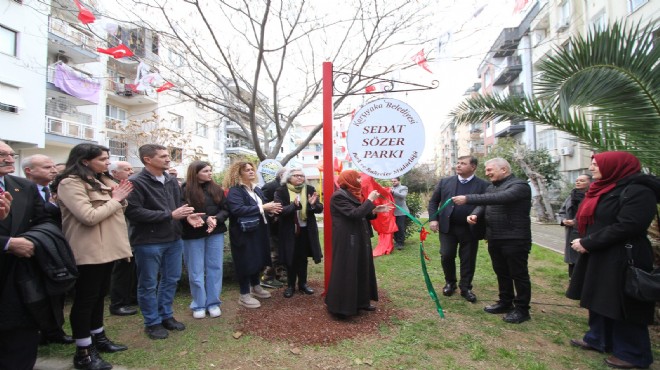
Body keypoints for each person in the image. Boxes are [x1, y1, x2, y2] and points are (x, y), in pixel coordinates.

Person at [567, 152, 658, 369]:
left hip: (623, 256)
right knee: (598, 297)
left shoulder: (637, 191)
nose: (591, 168)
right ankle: (598, 338)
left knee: (622, 302)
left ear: (614, 167)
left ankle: (633, 353)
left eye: (596, 164)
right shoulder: (606, 187)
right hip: (600, 253)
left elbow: (628, 226)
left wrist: (589, 242)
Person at [54, 143, 134, 369]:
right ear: (84, 160)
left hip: (109, 248)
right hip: (89, 250)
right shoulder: (70, 183)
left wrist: (118, 197)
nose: (107, 163)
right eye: (102, 159)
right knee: (85, 299)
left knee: (99, 295)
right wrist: (116, 199)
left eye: (108, 159)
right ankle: (83, 351)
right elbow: (88, 216)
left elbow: (120, 207)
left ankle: (98, 337)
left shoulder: (103, 180)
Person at [125, 144, 201, 340]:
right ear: (148, 159)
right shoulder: (135, 182)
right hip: (148, 241)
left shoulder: (170, 179)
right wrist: (170, 215)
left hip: (173, 238)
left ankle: (166, 315)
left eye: (168, 156)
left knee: (171, 279)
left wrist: (186, 216)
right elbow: (133, 212)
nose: (168, 159)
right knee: (148, 284)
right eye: (163, 156)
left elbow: (176, 206)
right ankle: (152, 322)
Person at [452, 157, 532, 324]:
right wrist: (476, 213)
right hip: (495, 237)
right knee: (501, 272)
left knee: (518, 274)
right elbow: (485, 203)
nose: (487, 173)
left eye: (490, 170)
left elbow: (500, 198)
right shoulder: (492, 187)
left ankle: (522, 309)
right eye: (487, 170)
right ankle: (505, 302)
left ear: (503, 169)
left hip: (515, 239)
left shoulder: (519, 186)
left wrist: (468, 199)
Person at [0, 141, 52, 370]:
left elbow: (45, 221)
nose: (11, 159)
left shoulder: (23, 186)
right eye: (2, 154)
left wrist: (31, 240)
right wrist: (7, 243)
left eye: (11, 154)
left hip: (19, 277)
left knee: (20, 343)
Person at [22, 154, 74, 345]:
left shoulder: (54, 190)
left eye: (53, 166)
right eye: (46, 167)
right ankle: (35, 331)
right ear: (29, 171)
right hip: (30, 248)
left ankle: (54, 330)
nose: (53, 170)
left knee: (56, 289)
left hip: (55, 247)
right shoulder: (21, 190)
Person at [325, 170, 391, 318]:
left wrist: (374, 210)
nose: (360, 181)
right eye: (358, 178)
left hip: (358, 236)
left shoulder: (353, 193)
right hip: (347, 239)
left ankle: (361, 302)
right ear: (348, 180)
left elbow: (360, 212)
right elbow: (354, 214)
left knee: (361, 267)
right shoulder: (339, 196)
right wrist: (370, 200)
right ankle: (342, 307)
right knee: (347, 270)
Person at [428, 155, 488, 303]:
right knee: (447, 255)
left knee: (468, 258)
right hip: (448, 227)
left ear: (473, 167)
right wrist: (433, 219)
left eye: (463, 163)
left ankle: (466, 287)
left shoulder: (483, 185)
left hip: (470, 229)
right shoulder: (445, 182)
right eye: (458, 163)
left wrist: (476, 216)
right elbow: (433, 202)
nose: (458, 166)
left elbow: (485, 204)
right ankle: (450, 283)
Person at [224, 161, 282, 309]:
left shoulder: (255, 189)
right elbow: (237, 210)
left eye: (252, 169)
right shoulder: (235, 191)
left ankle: (256, 286)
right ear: (239, 174)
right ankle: (244, 294)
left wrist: (270, 209)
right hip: (243, 232)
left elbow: (260, 207)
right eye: (247, 170)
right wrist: (263, 207)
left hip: (259, 229)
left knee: (258, 258)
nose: (251, 172)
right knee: (245, 261)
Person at [181, 161, 229, 319]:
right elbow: (184, 210)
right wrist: (207, 218)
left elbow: (225, 208)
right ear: (195, 173)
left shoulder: (216, 188)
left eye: (210, 170)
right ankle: (199, 304)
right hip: (193, 233)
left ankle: (213, 302)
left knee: (215, 267)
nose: (210, 173)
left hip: (215, 232)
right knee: (196, 270)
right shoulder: (184, 189)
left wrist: (216, 219)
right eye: (206, 171)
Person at [274, 168, 323, 298]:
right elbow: (279, 210)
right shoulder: (281, 191)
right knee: (291, 258)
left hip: (306, 229)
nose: (300, 178)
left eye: (302, 176)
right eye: (296, 175)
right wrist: (294, 206)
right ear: (289, 178)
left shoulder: (309, 189)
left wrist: (313, 205)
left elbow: (319, 208)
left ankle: (303, 284)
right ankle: (290, 285)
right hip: (289, 231)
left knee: (302, 258)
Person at [107, 161, 138, 317]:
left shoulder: (130, 187)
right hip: (120, 235)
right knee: (122, 268)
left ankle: (132, 297)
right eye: (127, 169)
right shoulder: (112, 189)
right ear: (114, 173)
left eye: (131, 168)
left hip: (132, 234)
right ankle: (118, 303)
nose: (131, 171)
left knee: (133, 267)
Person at [557, 174, 591, 278]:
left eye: (582, 180)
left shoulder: (592, 197)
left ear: (590, 182)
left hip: (585, 232)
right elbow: (561, 212)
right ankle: (572, 281)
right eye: (577, 180)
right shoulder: (570, 196)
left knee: (584, 258)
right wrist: (563, 220)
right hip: (571, 232)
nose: (578, 182)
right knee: (572, 259)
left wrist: (576, 222)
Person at [260, 168, 286, 288]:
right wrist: (271, 215)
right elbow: (261, 205)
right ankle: (267, 278)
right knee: (274, 252)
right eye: (291, 175)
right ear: (281, 175)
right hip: (271, 226)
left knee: (280, 251)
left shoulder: (285, 187)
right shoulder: (270, 187)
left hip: (281, 226)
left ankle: (278, 275)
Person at [390, 177, 409, 250]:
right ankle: (397, 241)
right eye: (392, 181)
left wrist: (392, 192)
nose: (393, 182)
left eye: (395, 181)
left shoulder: (403, 188)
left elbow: (403, 196)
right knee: (394, 227)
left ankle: (401, 243)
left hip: (401, 211)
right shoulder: (391, 188)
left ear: (399, 181)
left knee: (400, 227)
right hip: (393, 212)